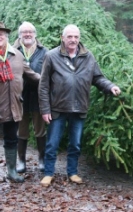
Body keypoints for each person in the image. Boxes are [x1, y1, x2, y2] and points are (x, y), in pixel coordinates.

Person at [38, 24, 121, 187]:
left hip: (79, 108)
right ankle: (48, 173)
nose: (73, 40)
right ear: (63, 38)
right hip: (57, 108)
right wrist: (45, 109)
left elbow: (98, 77)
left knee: (75, 143)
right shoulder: (52, 56)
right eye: (69, 36)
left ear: (79, 38)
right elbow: (43, 85)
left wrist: (110, 86)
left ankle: (73, 172)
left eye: (76, 37)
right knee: (52, 143)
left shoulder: (88, 56)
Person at [0, 22, 40, 183]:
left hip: (12, 107)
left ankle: (11, 171)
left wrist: (50, 82)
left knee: (11, 139)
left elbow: (33, 75)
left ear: (6, 37)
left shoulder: (17, 55)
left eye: (2, 34)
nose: (0, 37)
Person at [13, 22, 48, 173]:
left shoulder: (44, 52)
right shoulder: (13, 51)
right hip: (19, 97)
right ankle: (21, 160)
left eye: (30, 32)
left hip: (38, 97)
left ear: (35, 34)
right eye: (24, 32)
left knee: (40, 129)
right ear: (19, 35)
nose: (27, 34)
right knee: (21, 130)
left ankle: (42, 158)